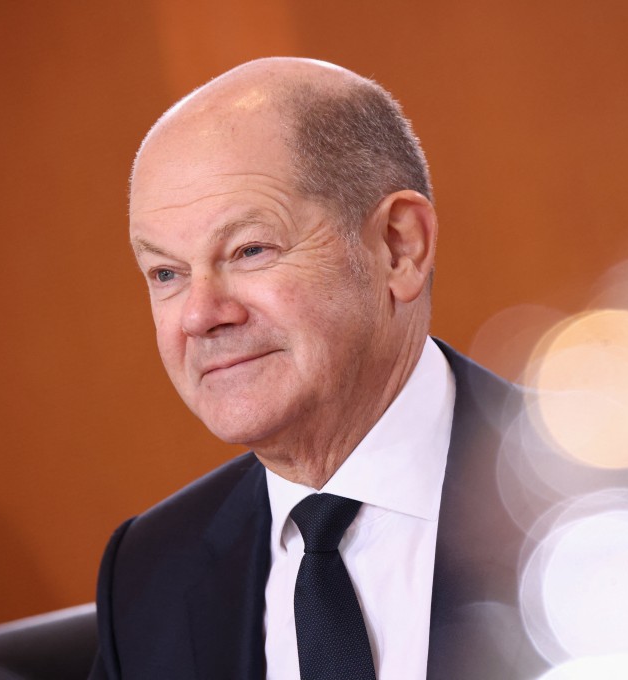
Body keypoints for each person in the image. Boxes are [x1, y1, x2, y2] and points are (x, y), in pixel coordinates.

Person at [90, 57, 540, 680]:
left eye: (249, 250)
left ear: (397, 247)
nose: (199, 315)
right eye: (166, 273)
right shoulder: (148, 574)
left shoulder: (596, 500)